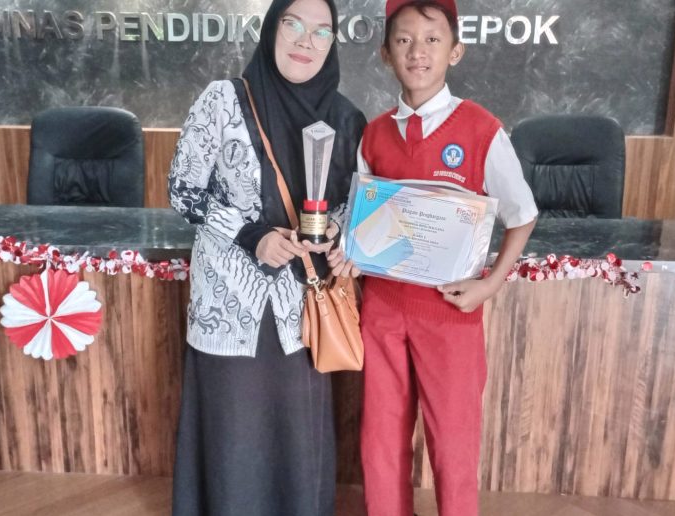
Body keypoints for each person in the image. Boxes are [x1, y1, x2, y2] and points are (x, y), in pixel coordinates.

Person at [328, 1, 538, 514]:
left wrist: (490, 284)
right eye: (403, 40)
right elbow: (365, 219)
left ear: (455, 51)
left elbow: (523, 215)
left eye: (431, 39)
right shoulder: (374, 134)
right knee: (380, 439)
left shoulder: (481, 130)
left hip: (450, 311)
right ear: (385, 53)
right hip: (382, 309)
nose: (417, 51)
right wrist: (352, 253)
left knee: (453, 443)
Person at [167, 0, 366, 514]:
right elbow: (184, 189)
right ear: (272, 28)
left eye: (321, 31)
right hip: (230, 303)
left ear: (332, 43)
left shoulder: (346, 118)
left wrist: (336, 233)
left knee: (295, 432)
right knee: (234, 428)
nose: (305, 41)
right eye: (293, 25)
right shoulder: (224, 100)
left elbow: (353, 204)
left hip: (302, 307)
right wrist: (251, 236)